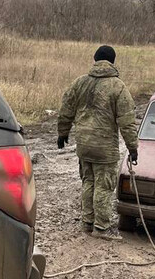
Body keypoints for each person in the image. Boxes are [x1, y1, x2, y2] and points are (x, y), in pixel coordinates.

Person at [58, 45, 139, 240]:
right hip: (104, 147)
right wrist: (133, 147)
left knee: (88, 181)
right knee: (104, 186)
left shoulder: (79, 82)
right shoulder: (118, 86)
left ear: (95, 59)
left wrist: (63, 133)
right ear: (113, 61)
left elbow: (66, 108)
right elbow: (127, 121)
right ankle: (101, 227)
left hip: (84, 144)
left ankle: (87, 222)